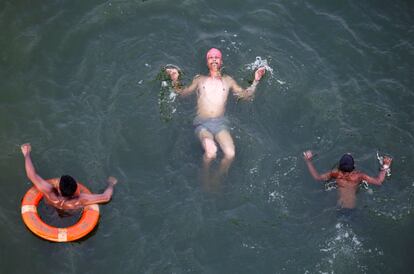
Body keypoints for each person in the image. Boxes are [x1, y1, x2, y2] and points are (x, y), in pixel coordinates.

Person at [165, 48, 266, 172]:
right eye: (210, 57)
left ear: (221, 62)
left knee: (230, 154)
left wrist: (256, 80)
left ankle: (217, 181)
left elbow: (245, 96)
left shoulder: (228, 80)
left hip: (220, 123)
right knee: (211, 152)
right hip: (202, 122)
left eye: (216, 57)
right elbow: (182, 93)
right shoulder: (199, 79)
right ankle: (206, 181)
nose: (213, 59)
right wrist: (175, 79)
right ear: (207, 62)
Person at [21, 143, 118, 211]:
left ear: (59, 188)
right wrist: (111, 184)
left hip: (51, 208)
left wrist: (26, 154)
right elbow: (106, 197)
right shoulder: (79, 200)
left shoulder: (50, 192)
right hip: (70, 213)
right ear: (76, 190)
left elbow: (31, 175)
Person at [303, 150, 392, 211]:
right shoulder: (358, 176)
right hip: (352, 209)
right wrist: (385, 166)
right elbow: (378, 181)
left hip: (339, 208)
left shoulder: (335, 174)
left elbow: (317, 177)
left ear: (339, 166)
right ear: (353, 167)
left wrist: (308, 161)